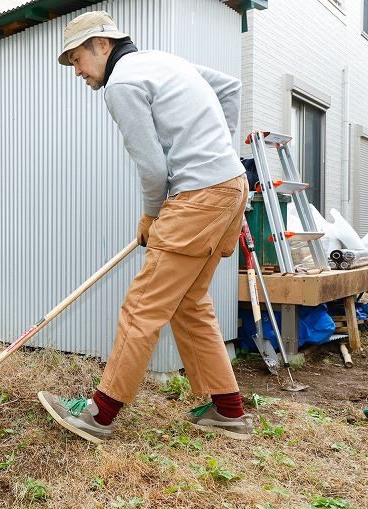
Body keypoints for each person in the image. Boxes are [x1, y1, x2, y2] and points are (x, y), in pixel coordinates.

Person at [37, 11, 254, 442]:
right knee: (189, 301)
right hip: (231, 188)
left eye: (77, 59)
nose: (77, 71)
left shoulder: (121, 83)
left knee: (143, 305)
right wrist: (218, 153)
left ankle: (99, 415)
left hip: (198, 198)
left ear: (102, 44)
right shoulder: (164, 61)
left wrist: (152, 215)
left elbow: (153, 168)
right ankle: (229, 411)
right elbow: (231, 87)